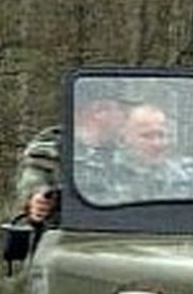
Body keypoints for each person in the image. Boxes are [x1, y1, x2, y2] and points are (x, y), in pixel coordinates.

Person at [13, 92, 129, 223]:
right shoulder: (53, 145)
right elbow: (34, 180)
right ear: (92, 113)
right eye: (116, 109)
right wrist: (37, 198)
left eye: (122, 109)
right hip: (67, 231)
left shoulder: (130, 146)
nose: (123, 116)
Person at [111, 102, 193, 200]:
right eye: (147, 136)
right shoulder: (105, 174)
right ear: (124, 138)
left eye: (161, 135)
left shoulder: (188, 175)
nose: (157, 144)